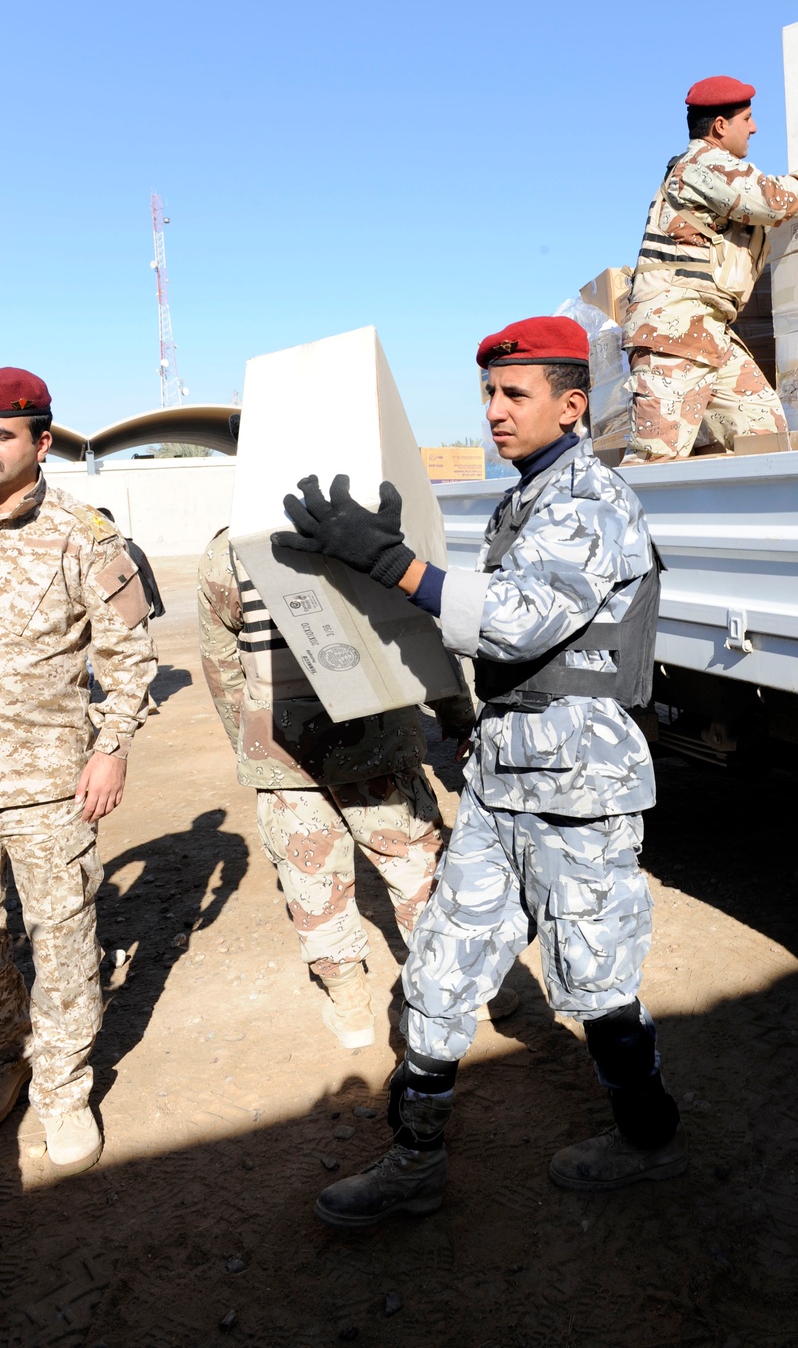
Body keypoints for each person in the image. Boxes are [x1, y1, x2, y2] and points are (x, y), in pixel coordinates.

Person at [275, 314, 683, 1225]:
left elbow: (515, 622)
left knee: (597, 981)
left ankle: (649, 1137)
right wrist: (390, 580)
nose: (494, 411)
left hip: (579, 788)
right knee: (441, 972)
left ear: (572, 405)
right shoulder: (524, 502)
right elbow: (491, 645)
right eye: (488, 394)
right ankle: (414, 1162)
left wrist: (393, 561)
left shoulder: (590, 502)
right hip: (503, 779)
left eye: (515, 394)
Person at [197, 528, 513, 1048]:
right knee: (416, 865)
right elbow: (416, 629)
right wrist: (456, 712)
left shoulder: (227, 546)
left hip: (283, 747)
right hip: (377, 736)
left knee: (310, 878)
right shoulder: (362, 526)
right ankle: (461, 989)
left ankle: (350, 1007)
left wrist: (249, 743)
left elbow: (223, 662)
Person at [0, 368, 155, 1173]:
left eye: (2, 436)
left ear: (41, 443)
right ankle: (10, 1062)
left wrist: (111, 744)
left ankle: (63, 1089)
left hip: (47, 784)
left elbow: (128, 653)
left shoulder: (82, 533)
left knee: (59, 940)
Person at [622, 75, 798, 462]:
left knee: (764, 435)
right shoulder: (700, 164)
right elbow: (774, 202)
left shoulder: (708, 169)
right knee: (655, 463)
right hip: (671, 337)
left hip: (709, 333)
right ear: (720, 126)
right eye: (748, 119)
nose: (755, 128)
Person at [95, 509, 165, 620]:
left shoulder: (96, 550)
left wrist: (158, 607)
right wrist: (158, 607)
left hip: (129, 609)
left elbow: (148, 576)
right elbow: (149, 575)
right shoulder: (130, 546)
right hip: (133, 609)